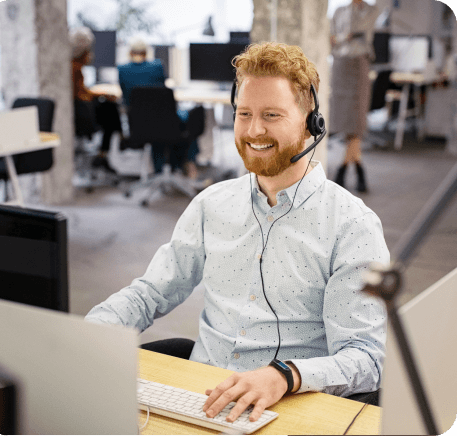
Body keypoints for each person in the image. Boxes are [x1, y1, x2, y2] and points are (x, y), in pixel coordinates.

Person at [86, 42, 389, 423]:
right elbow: (151, 292)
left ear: (310, 120)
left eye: (272, 115)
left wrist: (286, 375)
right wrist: (88, 334)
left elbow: (366, 357)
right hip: (201, 398)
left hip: (290, 408)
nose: (254, 129)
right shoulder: (211, 204)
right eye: (243, 113)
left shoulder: (351, 225)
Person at [118, 37, 200, 179]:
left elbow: (126, 97)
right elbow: (160, 94)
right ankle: (185, 164)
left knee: (157, 127)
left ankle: (160, 170)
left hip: (138, 126)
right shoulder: (157, 67)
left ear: (130, 52)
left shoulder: (122, 70)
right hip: (164, 124)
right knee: (187, 118)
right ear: (146, 52)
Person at [329, 0, 380, 192]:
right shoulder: (339, 11)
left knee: (357, 121)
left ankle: (343, 168)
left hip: (359, 65)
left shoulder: (370, 10)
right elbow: (332, 39)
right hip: (340, 66)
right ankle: (357, 165)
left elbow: (360, 31)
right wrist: (345, 37)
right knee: (344, 121)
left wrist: (344, 37)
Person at [70, 27, 123, 173]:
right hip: (83, 117)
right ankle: (116, 143)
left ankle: (106, 152)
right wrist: (101, 95)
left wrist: (100, 94)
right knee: (110, 109)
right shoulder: (73, 69)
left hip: (82, 111)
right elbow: (81, 95)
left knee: (109, 106)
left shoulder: (75, 68)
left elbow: (82, 92)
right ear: (82, 51)